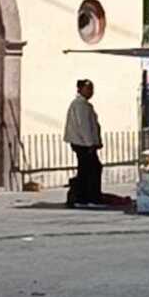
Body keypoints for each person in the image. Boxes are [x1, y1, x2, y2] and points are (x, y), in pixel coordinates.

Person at [64, 79, 104, 208]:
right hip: (82, 143)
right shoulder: (80, 105)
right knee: (91, 169)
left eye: (91, 89)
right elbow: (84, 126)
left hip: (83, 142)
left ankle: (84, 195)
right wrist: (90, 143)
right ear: (80, 89)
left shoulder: (84, 105)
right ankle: (87, 196)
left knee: (87, 169)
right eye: (87, 88)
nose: (90, 91)